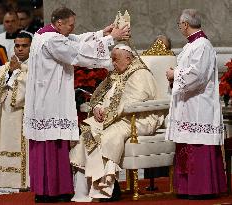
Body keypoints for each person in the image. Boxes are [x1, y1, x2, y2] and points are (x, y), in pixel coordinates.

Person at [23, 7, 130, 203]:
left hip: (44, 98)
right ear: (59, 23)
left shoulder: (44, 33)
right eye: (70, 25)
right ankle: (52, 191)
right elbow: (78, 52)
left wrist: (101, 34)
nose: (73, 28)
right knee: (52, 142)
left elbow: (75, 40)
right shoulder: (52, 40)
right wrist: (110, 39)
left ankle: (50, 190)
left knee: (50, 141)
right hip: (50, 99)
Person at [70, 44, 164, 202]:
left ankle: (107, 189)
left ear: (128, 59)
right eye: (112, 59)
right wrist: (98, 108)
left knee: (107, 136)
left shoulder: (140, 73)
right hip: (115, 118)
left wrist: (108, 111)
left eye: (116, 59)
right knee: (87, 132)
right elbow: (100, 97)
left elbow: (134, 100)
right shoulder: (115, 74)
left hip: (136, 118)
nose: (113, 63)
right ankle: (84, 190)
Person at [165, 9, 227, 199]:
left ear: (184, 24)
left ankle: (201, 188)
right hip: (188, 104)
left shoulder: (202, 45)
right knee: (186, 143)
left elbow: (198, 76)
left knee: (197, 145)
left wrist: (174, 75)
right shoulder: (191, 45)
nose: (179, 28)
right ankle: (186, 188)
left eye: (179, 25)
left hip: (198, 105)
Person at [0, 32, 32, 194]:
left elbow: (28, 91)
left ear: (31, 46)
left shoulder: (36, 67)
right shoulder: (7, 66)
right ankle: (6, 186)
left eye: (24, 45)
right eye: (17, 45)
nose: (20, 49)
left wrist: (18, 72)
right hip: (7, 118)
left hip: (26, 117)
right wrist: (11, 73)